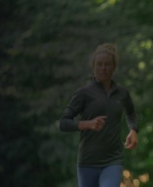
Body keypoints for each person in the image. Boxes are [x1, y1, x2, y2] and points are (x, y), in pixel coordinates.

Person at [59, 43, 139, 187]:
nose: (103, 68)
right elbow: (63, 123)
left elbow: (131, 113)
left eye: (107, 64)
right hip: (87, 162)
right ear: (93, 67)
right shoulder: (84, 93)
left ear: (114, 67)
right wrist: (87, 124)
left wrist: (133, 130)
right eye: (99, 64)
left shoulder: (122, 94)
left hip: (113, 160)